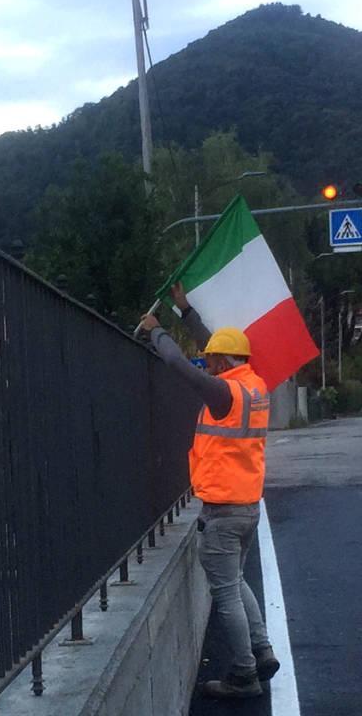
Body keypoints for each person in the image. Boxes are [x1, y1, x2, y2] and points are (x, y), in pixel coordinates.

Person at [139, 283, 279, 699]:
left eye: (213, 358)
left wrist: (156, 330)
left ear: (221, 361)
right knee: (235, 581)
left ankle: (244, 673)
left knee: (226, 593)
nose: (208, 360)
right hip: (248, 505)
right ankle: (262, 648)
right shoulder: (253, 387)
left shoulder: (222, 393)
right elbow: (211, 349)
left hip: (221, 511)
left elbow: (181, 365)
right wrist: (186, 312)